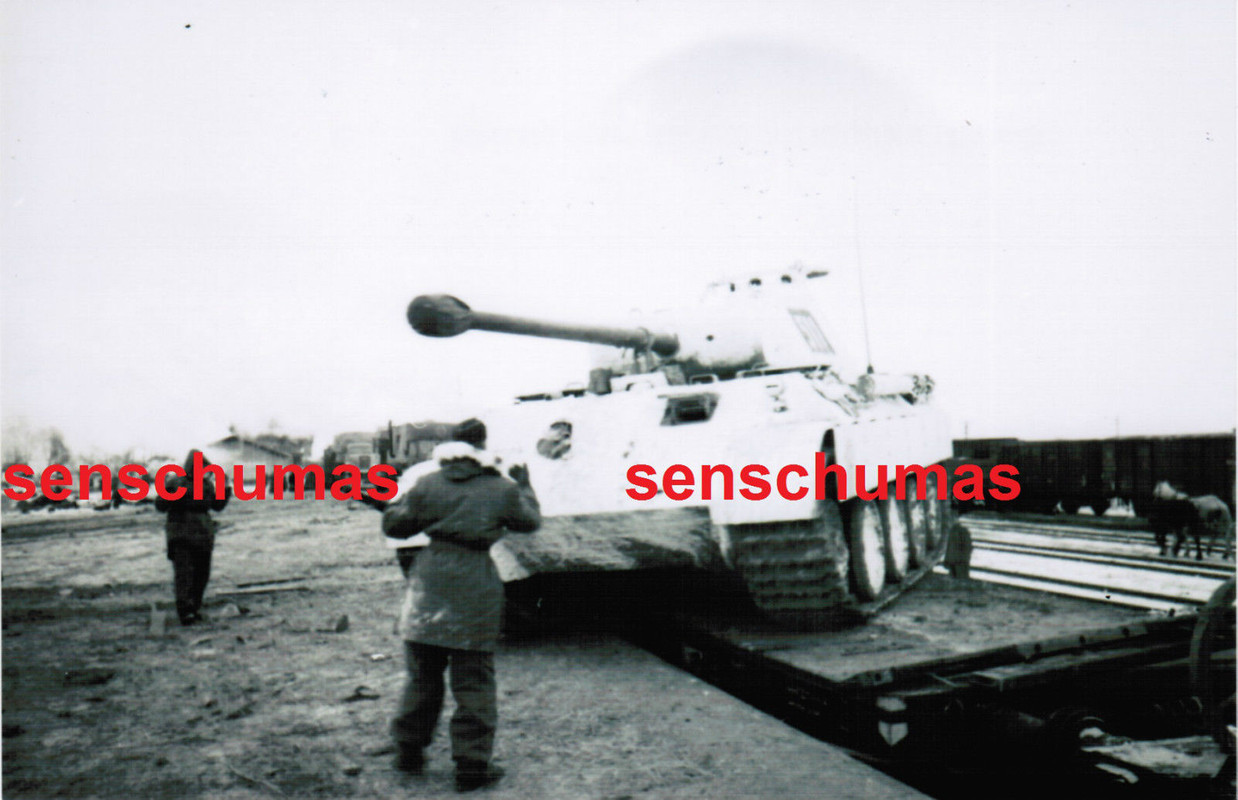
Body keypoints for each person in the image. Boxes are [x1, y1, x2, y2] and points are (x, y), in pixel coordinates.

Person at [382, 418, 540, 792]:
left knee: (422, 675)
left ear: (451, 445)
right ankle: (471, 767)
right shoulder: (501, 487)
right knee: (474, 681)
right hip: (474, 583)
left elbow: (395, 526)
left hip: (429, 582)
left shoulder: (427, 483)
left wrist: (398, 505)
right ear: (482, 445)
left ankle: (408, 752)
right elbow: (529, 522)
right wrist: (525, 485)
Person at [154, 450, 229, 625]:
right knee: (184, 575)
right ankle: (185, 611)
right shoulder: (176, 482)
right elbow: (160, 505)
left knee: (202, 574)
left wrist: (225, 489)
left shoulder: (207, 485)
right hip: (181, 535)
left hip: (202, 535)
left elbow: (217, 506)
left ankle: (194, 608)